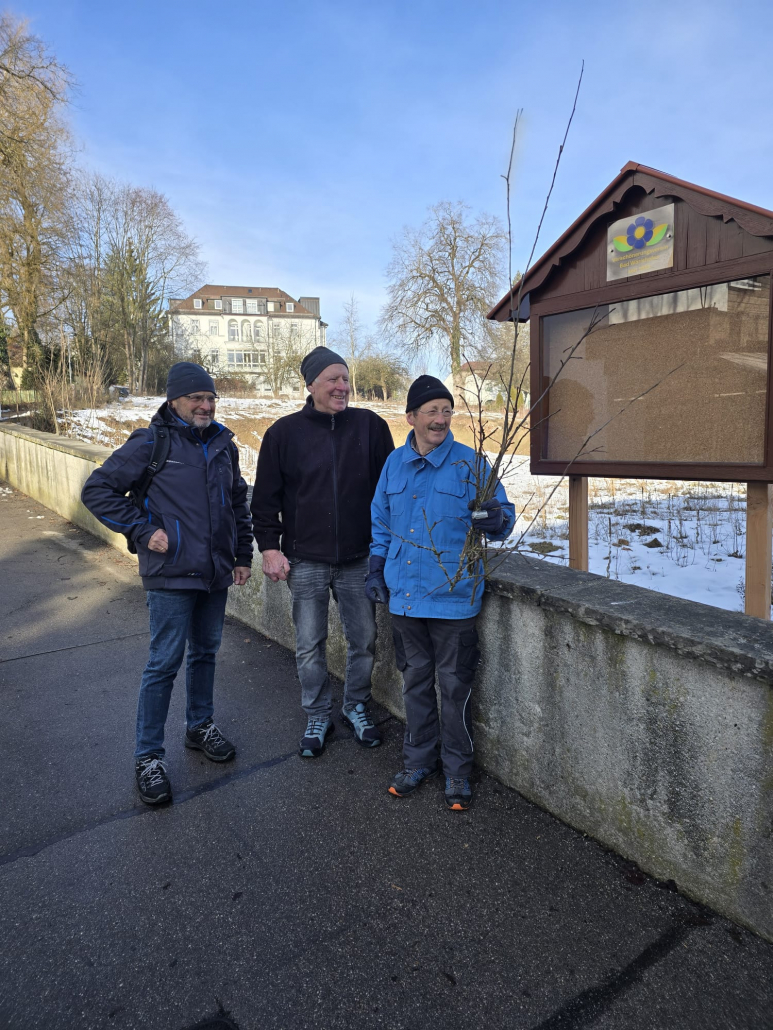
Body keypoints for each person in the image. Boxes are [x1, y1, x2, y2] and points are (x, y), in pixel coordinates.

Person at [81, 362, 253, 805]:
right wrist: (141, 530)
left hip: (214, 573)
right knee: (163, 665)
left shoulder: (223, 444)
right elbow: (97, 490)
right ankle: (148, 757)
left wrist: (241, 555)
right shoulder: (151, 441)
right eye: (197, 397)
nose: (206, 405)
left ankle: (199, 726)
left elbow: (237, 502)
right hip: (171, 573)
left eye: (211, 397)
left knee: (206, 654)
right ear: (174, 399)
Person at [367, 375, 515, 811]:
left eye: (446, 410)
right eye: (431, 411)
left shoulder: (471, 464)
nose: (440, 418)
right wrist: (377, 566)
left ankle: (457, 771)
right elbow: (381, 522)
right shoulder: (394, 464)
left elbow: (502, 516)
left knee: (454, 688)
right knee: (414, 683)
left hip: (454, 600)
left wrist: (495, 519)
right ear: (410, 417)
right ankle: (418, 761)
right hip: (406, 598)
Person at [252, 346, 394, 758]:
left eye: (345, 378)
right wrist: (269, 549)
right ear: (310, 385)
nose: (342, 386)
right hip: (305, 560)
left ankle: (355, 705)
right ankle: (317, 713)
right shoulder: (283, 434)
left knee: (364, 639)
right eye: (332, 379)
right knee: (310, 643)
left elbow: (389, 493)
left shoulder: (370, 426)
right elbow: (264, 502)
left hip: (359, 559)